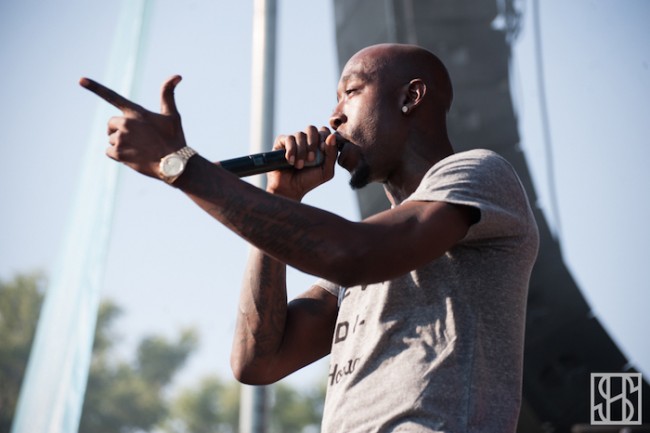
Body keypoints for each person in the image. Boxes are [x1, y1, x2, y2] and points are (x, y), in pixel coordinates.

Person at [80, 43, 539, 433]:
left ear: (410, 97)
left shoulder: (477, 175)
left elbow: (352, 253)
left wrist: (180, 166)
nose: (334, 116)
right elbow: (258, 360)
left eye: (351, 93)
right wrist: (283, 197)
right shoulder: (370, 248)